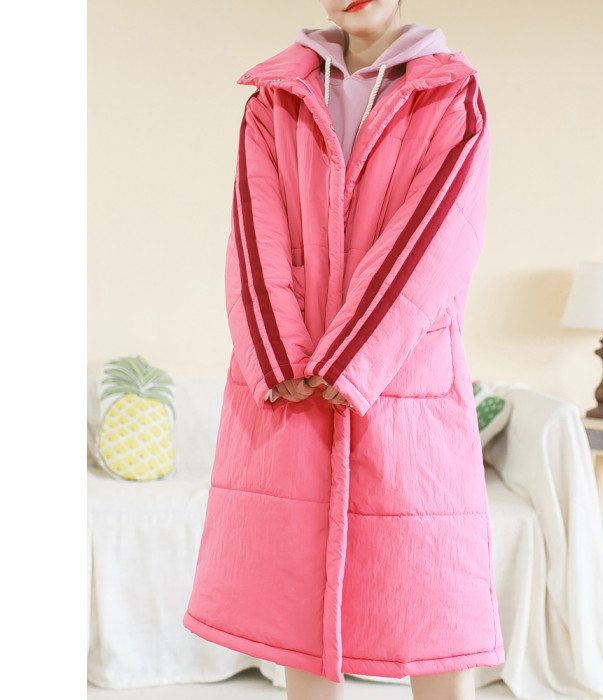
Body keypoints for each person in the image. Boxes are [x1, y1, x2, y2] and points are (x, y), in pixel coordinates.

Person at [183, 1, 504, 699]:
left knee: (429, 593)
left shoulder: (450, 95)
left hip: (405, 376)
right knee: (295, 592)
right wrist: (282, 358)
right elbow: (255, 235)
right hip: (294, 378)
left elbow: (435, 242)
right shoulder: (275, 99)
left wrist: (350, 359)